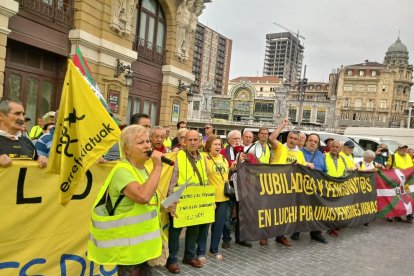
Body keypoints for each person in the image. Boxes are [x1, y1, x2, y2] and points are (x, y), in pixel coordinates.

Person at [88, 125, 176, 276]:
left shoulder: (142, 170)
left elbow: (149, 204)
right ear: (126, 149)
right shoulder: (122, 171)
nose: (147, 145)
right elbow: (143, 196)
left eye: (148, 141)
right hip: (128, 251)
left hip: (143, 249)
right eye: (140, 142)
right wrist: (158, 166)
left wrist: (165, 206)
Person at [166, 130, 208, 274]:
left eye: (196, 140)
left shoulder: (202, 157)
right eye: (190, 140)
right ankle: (171, 260)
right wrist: (171, 201)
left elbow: (205, 178)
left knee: (193, 230)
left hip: (196, 200)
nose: (193, 142)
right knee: (175, 231)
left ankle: (189, 256)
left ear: (199, 141)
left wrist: (207, 200)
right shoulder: (179, 156)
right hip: (180, 199)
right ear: (184, 142)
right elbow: (173, 179)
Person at [268, 118, 306, 246]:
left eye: (296, 139)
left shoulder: (299, 154)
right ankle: (264, 235)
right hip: (275, 185)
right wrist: (282, 125)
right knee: (270, 212)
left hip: (290, 187)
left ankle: (281, 236)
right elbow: (271, 139)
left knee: (284, 213)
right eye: (291, 138)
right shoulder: (280, 147)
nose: (293, 141)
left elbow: (303, 169)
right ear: (287, 138)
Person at [220, 130, 255, 248]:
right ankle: (226, 239)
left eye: (238, 138)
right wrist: (235, 163)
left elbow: (253, 166)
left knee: (242, 214)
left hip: (242, 186)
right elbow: (222, 168)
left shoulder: (245, 151)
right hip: (229, 186)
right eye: (234, 139)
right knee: (227, 214)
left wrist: (248, 160)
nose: (237, 141)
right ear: (228, 140)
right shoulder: (223, 152)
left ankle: (240, 238)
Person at [291, 133, 328, 243]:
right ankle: (296, 231)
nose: (312, 143)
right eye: (310, 140)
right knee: (301, 209)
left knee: (316, 210)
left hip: (316, 188)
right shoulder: (299, 152)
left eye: (315, 142)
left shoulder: (320, 155)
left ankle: (315, 232)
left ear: (318, 144)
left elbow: (324, 171)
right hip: (301, 187)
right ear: (306, 141)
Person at [203, 135, 228, 262]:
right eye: (215, 144)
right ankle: (200, 251)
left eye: (219, 144)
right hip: (209, 197)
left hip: (223, 198)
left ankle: (214, 250)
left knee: (218, 226)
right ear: (209, 145)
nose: (218, 147)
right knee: (204, 227)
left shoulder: (223, 158)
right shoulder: (203, 157)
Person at [0, 99, 38, 167]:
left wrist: (42, 160)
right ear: (1, 116)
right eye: (17, 114)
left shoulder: (27, 142)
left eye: (23, 114)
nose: (22, 118)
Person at [385, 145, 414, 223]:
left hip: (406, 182)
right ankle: (392, 215)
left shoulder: (408, 156)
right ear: (398, 149)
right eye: (402, 148)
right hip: (396, 182)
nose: (404, 150)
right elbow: (387, 168)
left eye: (405, 148)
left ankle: (409, 216)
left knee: (407, 198)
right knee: (395, 199)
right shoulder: (393, 156)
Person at [324, 140, 347, 237]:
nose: (335, 148)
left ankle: (333, 226)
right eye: (333, 146)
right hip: (327, 186)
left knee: (336, 208)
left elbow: (345, 171)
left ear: (340, 149)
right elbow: (321, 170)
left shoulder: (342, 158)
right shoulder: (324, 156)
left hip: (338, 187)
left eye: (337, 147)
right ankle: (329, 227)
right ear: (329, 147)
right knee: (328, 208)